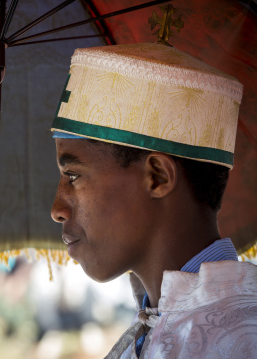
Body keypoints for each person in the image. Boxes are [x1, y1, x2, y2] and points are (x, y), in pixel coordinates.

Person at [50, 42, 257, 358]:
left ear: (157, 176)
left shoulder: (243, 341)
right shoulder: (151, 328)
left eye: (74, 175)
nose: (57, 209)